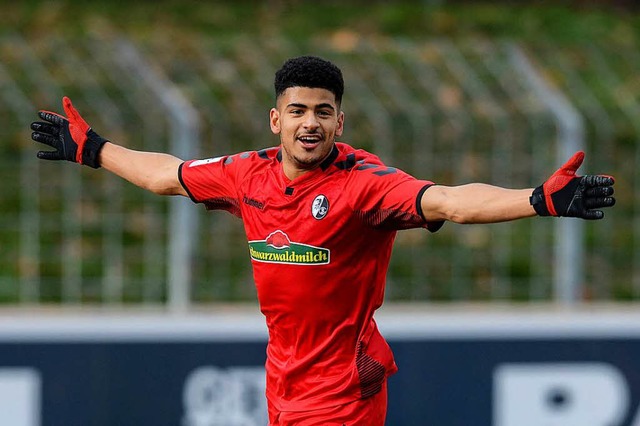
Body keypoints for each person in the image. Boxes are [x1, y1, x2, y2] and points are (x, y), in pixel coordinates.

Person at [30, 55, 615, 425]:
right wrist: (93, 149)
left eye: (324, 112)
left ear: (341, 122)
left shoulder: (363, 186)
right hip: (282, 383)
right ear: (275, 120)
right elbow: (166, 174)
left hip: (343, 394)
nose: (311, 122)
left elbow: (450, 202)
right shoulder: (246, 174)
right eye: (299, 110)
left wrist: (537, 200)